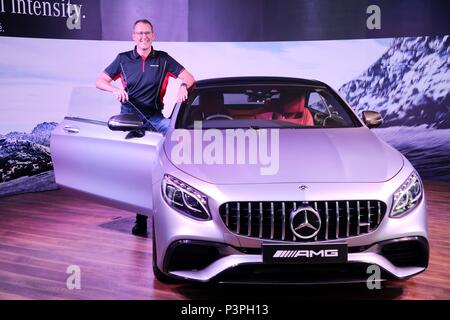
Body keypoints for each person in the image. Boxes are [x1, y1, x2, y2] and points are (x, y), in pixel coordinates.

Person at [95, 19, 195, 237]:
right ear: (133, 36)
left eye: (147, 33)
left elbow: (189, 78)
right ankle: (140, 218)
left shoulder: (163, 59)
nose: (143, 37)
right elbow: (100, 80)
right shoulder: (122, 60)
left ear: (153, 35)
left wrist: (183, 86)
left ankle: (185, 206)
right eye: (139, 33)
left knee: (179, 140)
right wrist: (114, 90)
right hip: (130, 119)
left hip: (155, 118)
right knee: (140, 169)